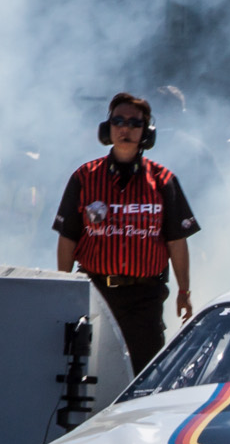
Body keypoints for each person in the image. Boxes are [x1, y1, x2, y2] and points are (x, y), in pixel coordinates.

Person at [53, 92, 200, 373]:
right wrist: (63, 287)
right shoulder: (84, 177)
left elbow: (177, 242)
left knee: (143, 375)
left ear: (146, 132)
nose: (126, 129)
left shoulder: (163, 180)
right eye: (118, 121)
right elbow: (67, 237)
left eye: (135, 123)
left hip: (145, 297)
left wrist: (184, 290)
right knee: (91, 372)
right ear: (107, 128)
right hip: (95, 292)